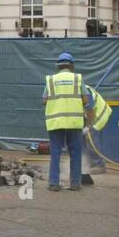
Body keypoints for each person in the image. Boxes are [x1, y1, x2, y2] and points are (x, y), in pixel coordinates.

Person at [41, 52, 92, 192]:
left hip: (55, 121)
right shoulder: (78, 79)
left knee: (56, 152)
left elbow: (44, 101)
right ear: (72, 65)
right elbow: (86, 100)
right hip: (74, 121)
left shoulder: (51, 80)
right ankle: (75, 184)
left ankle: (54, 183)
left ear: (58, 65)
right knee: (75, 152)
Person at [83, 82, 113, 175]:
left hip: (98, 115)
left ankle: (99, 165)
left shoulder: (84, 91)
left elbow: (91, 111)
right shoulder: (75, 90)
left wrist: (88, 126)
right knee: (83, 139)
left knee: (91, 139)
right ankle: (89, 163)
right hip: (89, 115)